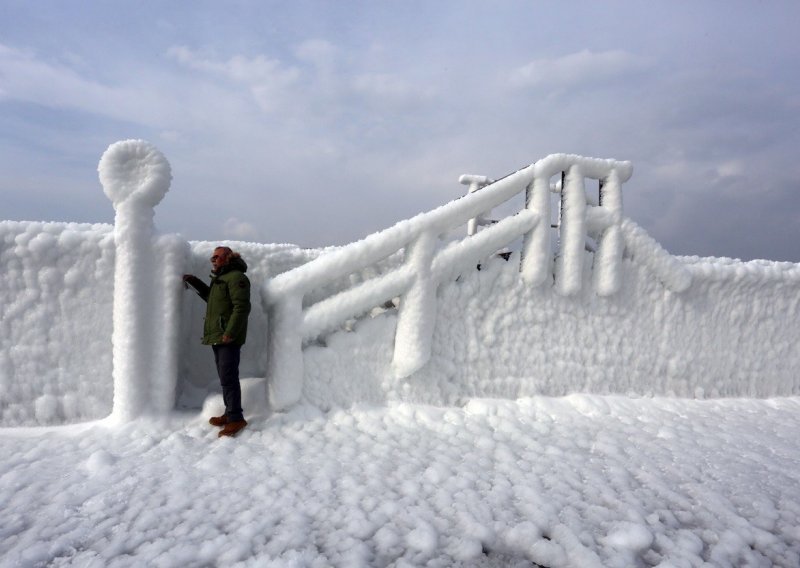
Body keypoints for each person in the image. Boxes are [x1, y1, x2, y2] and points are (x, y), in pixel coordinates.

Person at [183, 246, 251, 437]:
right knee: (225, 378)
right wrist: (195, 282)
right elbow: (212, 300)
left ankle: (236, 418)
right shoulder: (221, 279)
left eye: (217, 256)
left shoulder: (237, 278)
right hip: (219, 336)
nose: (213, 260)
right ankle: (230, 413)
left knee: (229, 378)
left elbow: (242, 308)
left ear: (228, 257)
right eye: (212, 257)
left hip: (228, 337)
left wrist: (230, 332)